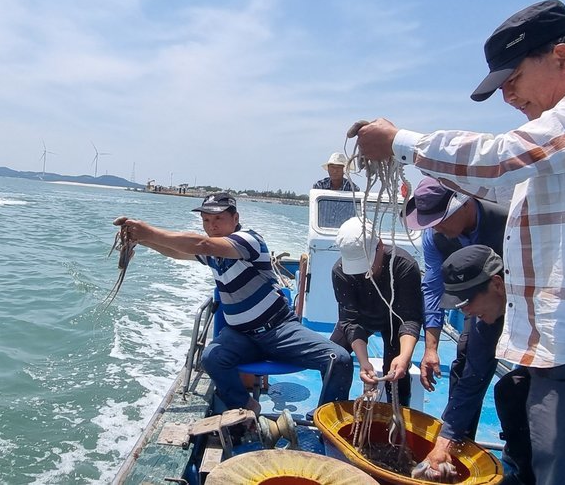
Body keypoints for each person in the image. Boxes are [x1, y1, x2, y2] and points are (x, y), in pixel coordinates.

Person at [351, 0, 565, 484]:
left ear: (562, 58)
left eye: (513, 79)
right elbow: (495, 178)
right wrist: (432, 344)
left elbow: (500, 160)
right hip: (548, 349)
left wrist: (399, 143)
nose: (508, 98)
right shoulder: (554, 153)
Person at [116, 192, 353, 415]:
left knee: (339, 359)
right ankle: (247, 406)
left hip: (279, 330)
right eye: (206, 220)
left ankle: (326, 418)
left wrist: (148, 231)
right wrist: (141, 239)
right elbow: (178, 252)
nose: (212, 225)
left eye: (218, 218)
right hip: (241, 335)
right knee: (211, 358)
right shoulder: (213, 251)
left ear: (235, 218)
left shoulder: (248, 240)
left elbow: (202, 245)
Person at [405, 177, 508, 439]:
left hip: (516, 297)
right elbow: (432, 287)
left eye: (440, 219)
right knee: (464, 356)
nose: (436, 229)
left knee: (510, 384)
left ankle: (452, 437)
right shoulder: (434, 236)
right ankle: (460, 439)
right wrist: (430, 348)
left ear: (463, 202)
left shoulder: (508, 224)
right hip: (480, 303)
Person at [420, 245, 533, 484]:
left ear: (497, 284)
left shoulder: (536, 301)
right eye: (459, 305)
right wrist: (443, 444)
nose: (466, 310)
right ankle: (522, 471)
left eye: (467, 300)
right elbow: (473, 381)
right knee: (508, 390)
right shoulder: (483, 323)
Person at [331, 217, 422, 406]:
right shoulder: (340, 271)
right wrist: (363, 362)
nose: (365, 272)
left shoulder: (404, 266)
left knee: (396, 374)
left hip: (394, 321)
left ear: (380, 245)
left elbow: (409, 318)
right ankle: (332, 409)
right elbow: (350, 320)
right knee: (334, 358)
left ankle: (397, 419)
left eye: (368, 263)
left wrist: (404, 358)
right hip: (361, 318)